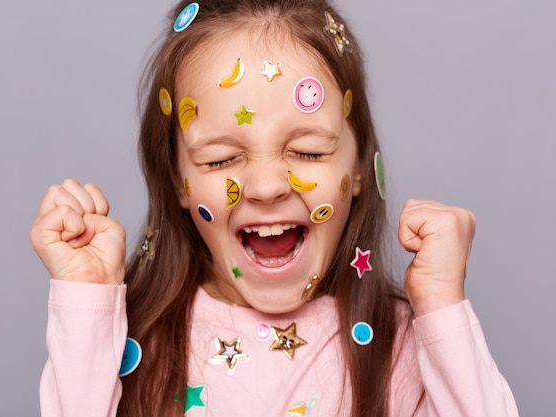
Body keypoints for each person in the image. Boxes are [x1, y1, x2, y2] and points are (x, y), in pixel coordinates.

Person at [29, 1, 520, 416]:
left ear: (358, 168)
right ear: (178, 180)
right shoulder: (133, 344)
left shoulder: (400, 350)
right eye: (221, 158)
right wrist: (87, 304)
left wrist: (442, 308)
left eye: (308, 151)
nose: (265, 187)